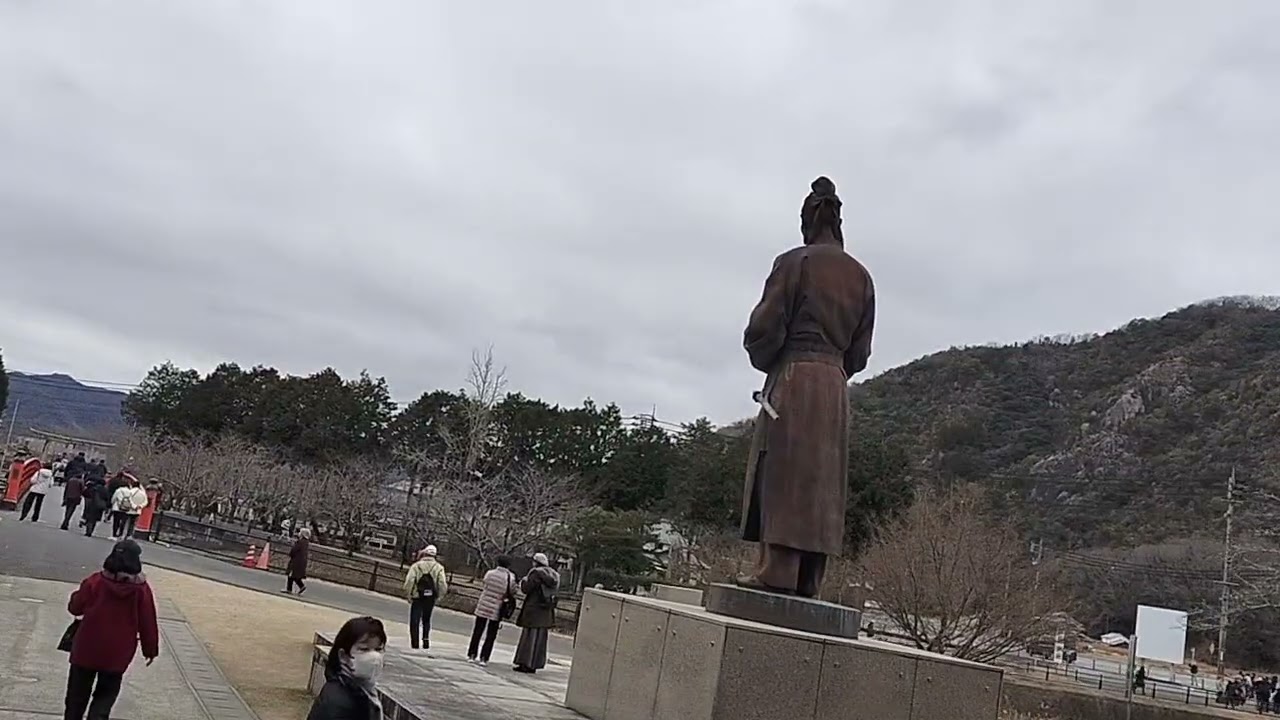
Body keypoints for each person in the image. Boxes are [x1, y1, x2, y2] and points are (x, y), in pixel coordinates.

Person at [737, 176, 876, 598]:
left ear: (807, 221)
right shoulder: (862, 278)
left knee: (785, 471)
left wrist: (772, 357)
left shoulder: (794, 263)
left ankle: (777, 569)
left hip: (795, 376)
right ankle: (810, 577)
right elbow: (860, 354)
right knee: (822, 481)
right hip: (834, 387)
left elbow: (763, 329)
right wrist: (833, 368)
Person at [64, 539, 160, 720]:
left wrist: (76, 597)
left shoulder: (95, 581)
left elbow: (75, 607)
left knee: (76, 697)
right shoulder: (141, 590)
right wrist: (150, 649)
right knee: (105, 697)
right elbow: (148, 621)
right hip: (118, 651)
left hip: (87, 646)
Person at [306, 616, 387, 720]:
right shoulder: (338, 703)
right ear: (344, 656)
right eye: (364, 649)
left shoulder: (362, 690)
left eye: (378, 649)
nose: (374, 657)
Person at [513, 552, 560, 674]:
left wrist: (523, 581)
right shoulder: (554, 575)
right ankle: (535, 664)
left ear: (535, 562)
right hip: (546, 611)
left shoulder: (535, 573)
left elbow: (526, 589)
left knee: (529, 637)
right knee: (540, 639)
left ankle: (525, 663)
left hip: (533, 609)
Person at [468, 555, 517, 667]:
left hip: (484, 603)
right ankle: (484, 657)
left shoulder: (489, 573)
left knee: (478, 631)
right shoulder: (510, 577)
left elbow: (485, 584)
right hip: (497, 607)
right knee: (491, 634)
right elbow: (513, 591)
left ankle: (472, 654)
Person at [401, 545, 448, 651]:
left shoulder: (416, 566)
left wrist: (408, 594)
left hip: (417, 596)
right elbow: (442, 583)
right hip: (430, 597)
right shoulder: (439, 568)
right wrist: (440, 595)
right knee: (426, 619)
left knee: (415, 620)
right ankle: (425, 640)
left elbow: (409, 581)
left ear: (424, 553)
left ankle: (415, 643)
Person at [285, 528, 312, 595]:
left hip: (296, 560)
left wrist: (291, 554)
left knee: (291, 574)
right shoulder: (306, 542)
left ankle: (290, 589)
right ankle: (301, 586)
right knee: (295, 575)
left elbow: (294, 550)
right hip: (301, 561)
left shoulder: (300, 542)